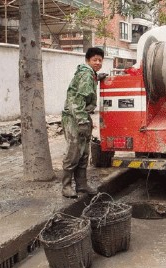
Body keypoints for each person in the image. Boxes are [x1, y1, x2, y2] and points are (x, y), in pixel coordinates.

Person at [61, 47, 105, 198]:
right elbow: (78, 99)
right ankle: (66, 187)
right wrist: (81, 121)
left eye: (100, 60)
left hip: (82, 116)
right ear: (88, 60)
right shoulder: (86, 74)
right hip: (75, 118)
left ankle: (81, 185)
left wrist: (97, 77)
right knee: (74, 153)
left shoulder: (90, 74)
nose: (98, 62)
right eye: (95, 60)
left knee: (84, 153)